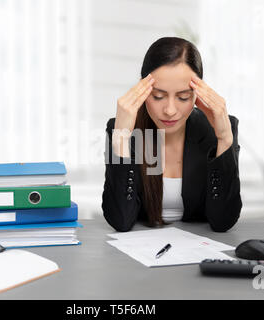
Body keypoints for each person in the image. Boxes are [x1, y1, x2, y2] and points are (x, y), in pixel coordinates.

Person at [101, 37, 242, 232]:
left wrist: (225, 139)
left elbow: (224, 221)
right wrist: (122, 138)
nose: (169, 110)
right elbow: (120, 220)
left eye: (183, 97)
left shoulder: (216, 131)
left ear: (197, 93)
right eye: (158, 96)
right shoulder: (122, 131)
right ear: (142, 91)